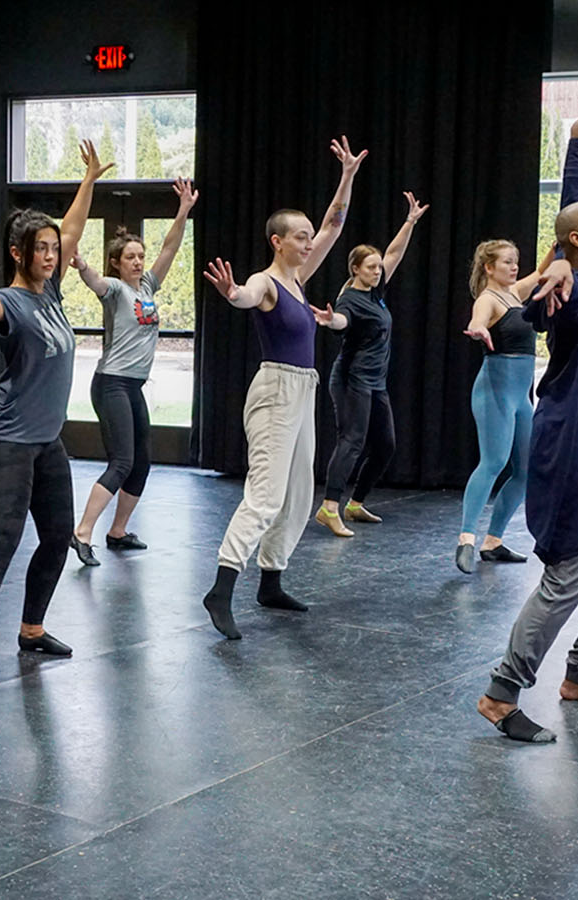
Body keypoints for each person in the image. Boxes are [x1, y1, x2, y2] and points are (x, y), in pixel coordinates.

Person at [474, 112, 578, 743]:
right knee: (567, 580)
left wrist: (575, 140)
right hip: (577, 457)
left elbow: (572, 213)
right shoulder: (568, 288)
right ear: (573, 244)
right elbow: (549, 283)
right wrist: (552, 272)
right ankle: (502, 692)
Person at [0, 138, 106, 691]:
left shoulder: (53, 292)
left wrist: (88, 180)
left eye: (53, 249)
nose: (52, 255)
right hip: (7, 440)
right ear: (18, 253)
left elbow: (74, 229)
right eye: (41, 249)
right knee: (3, 537)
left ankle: (31, 629)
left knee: (58, 534)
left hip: (47, 441)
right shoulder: (6, 302)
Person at [195, 138, 364, 639]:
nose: (309, 242)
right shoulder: (267, 281)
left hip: (304, 390)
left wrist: (347, 175)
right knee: (266, 495)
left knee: (298, 494)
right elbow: (246, 296)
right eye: (300, 237)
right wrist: (232, 295)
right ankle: (221, 588)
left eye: (309, 236)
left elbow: (335, 224)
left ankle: (272, 580)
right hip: (273, 392)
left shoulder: (300, 280)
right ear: (278, 241)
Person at [67, 177, 195, 564]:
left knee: (142, 462)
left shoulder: (148, 288)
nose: (138, 262)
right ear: (117, 264)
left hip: (133, 386)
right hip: (111, 385)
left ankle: (117, 531)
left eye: (141, 256)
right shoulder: (116, 290)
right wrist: (83, 264)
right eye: (131, 258)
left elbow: (171, 247)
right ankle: (82, 532)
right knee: (121, 461)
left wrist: (184, 210)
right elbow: (92, 280)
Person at [314, 192, 426, 537]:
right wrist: (331, 321)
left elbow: (393, 253)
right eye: (371, 267)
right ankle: (329, 508)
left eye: (378, 267)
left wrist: (409, 222)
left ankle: (355, 503)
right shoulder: (351, 298)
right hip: (351, 380)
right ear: (355, 270)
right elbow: (343, 322)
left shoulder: (375, 291)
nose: (378, 271)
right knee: (351, 440)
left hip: (375, 382)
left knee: (386, 445)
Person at [455, 239, 544, 573]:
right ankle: (466, 539)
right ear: (489, 267)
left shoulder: (514, 294)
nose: (513, 266)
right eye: (507, 262)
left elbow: (542, 272)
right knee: (493, 463)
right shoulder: (488, 299)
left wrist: (562, 242)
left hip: (521, 395)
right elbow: (478, 319)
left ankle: (493, 541)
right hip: (495, 391)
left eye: (515, 260)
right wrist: (478, 330)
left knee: (525, 470)